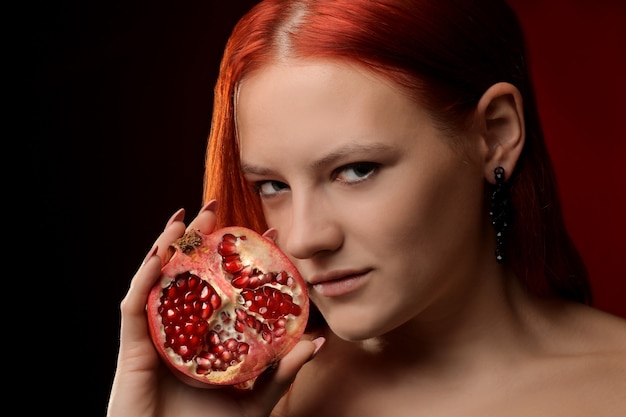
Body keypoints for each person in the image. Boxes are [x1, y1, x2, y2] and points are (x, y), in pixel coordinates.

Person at [107, 0, 626, 415]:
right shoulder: (262, 403)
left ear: (494, 135)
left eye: (356, 170)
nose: (304, 238)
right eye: (271, 185)